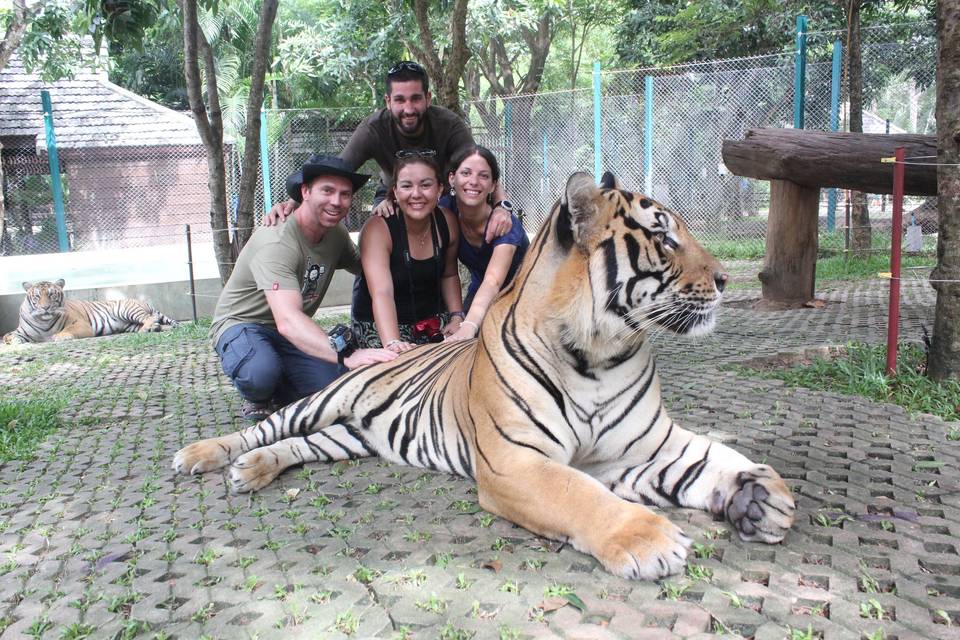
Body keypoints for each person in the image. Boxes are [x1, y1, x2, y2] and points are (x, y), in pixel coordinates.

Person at [210, 155, 397, 420]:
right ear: (305, 192)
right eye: (327, 191)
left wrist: (397, 220)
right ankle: (257, 392)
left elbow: (367, 268)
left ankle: (283, 385)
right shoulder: (277, 242)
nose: (336, 201)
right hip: (243, 324)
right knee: (261, 372)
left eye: (345, 194)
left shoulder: (336, 235)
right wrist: (346, 357)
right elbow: (287, 320)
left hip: (288, 334)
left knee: (334, 387)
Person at [269, 60, 512, 241]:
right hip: (390, 195)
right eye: (400, 100)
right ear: (388, 101)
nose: (408, 108)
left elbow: (480, 169)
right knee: (378, 232)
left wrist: (502, 207)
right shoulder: (373, 129)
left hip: (441, 197)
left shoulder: (448, 124)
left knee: (486, 227)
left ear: (428, 98)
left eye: (416, 99)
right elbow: (338, 170)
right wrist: (293, 201)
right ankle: (370, 306)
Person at [351, 154, 464, 351]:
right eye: (406, 186)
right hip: (382, 326)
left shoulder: (447, 221)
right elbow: (381, 292)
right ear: (394, 191)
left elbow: (450, 274)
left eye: (425, 185)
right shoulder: (378, 229)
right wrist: (393, 342)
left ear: (440, 189)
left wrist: (456, 316)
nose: (416, 194)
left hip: (434, 323)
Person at [443, 146, 529, 342]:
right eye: (465, 173)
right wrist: (458, 317)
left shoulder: (506, 226)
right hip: (479, 292)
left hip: (522, 297)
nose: (473, 181)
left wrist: (469, 326)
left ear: (493, 186)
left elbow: (493, 281)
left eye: (483, 176)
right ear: (451, 178)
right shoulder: (446, 209)